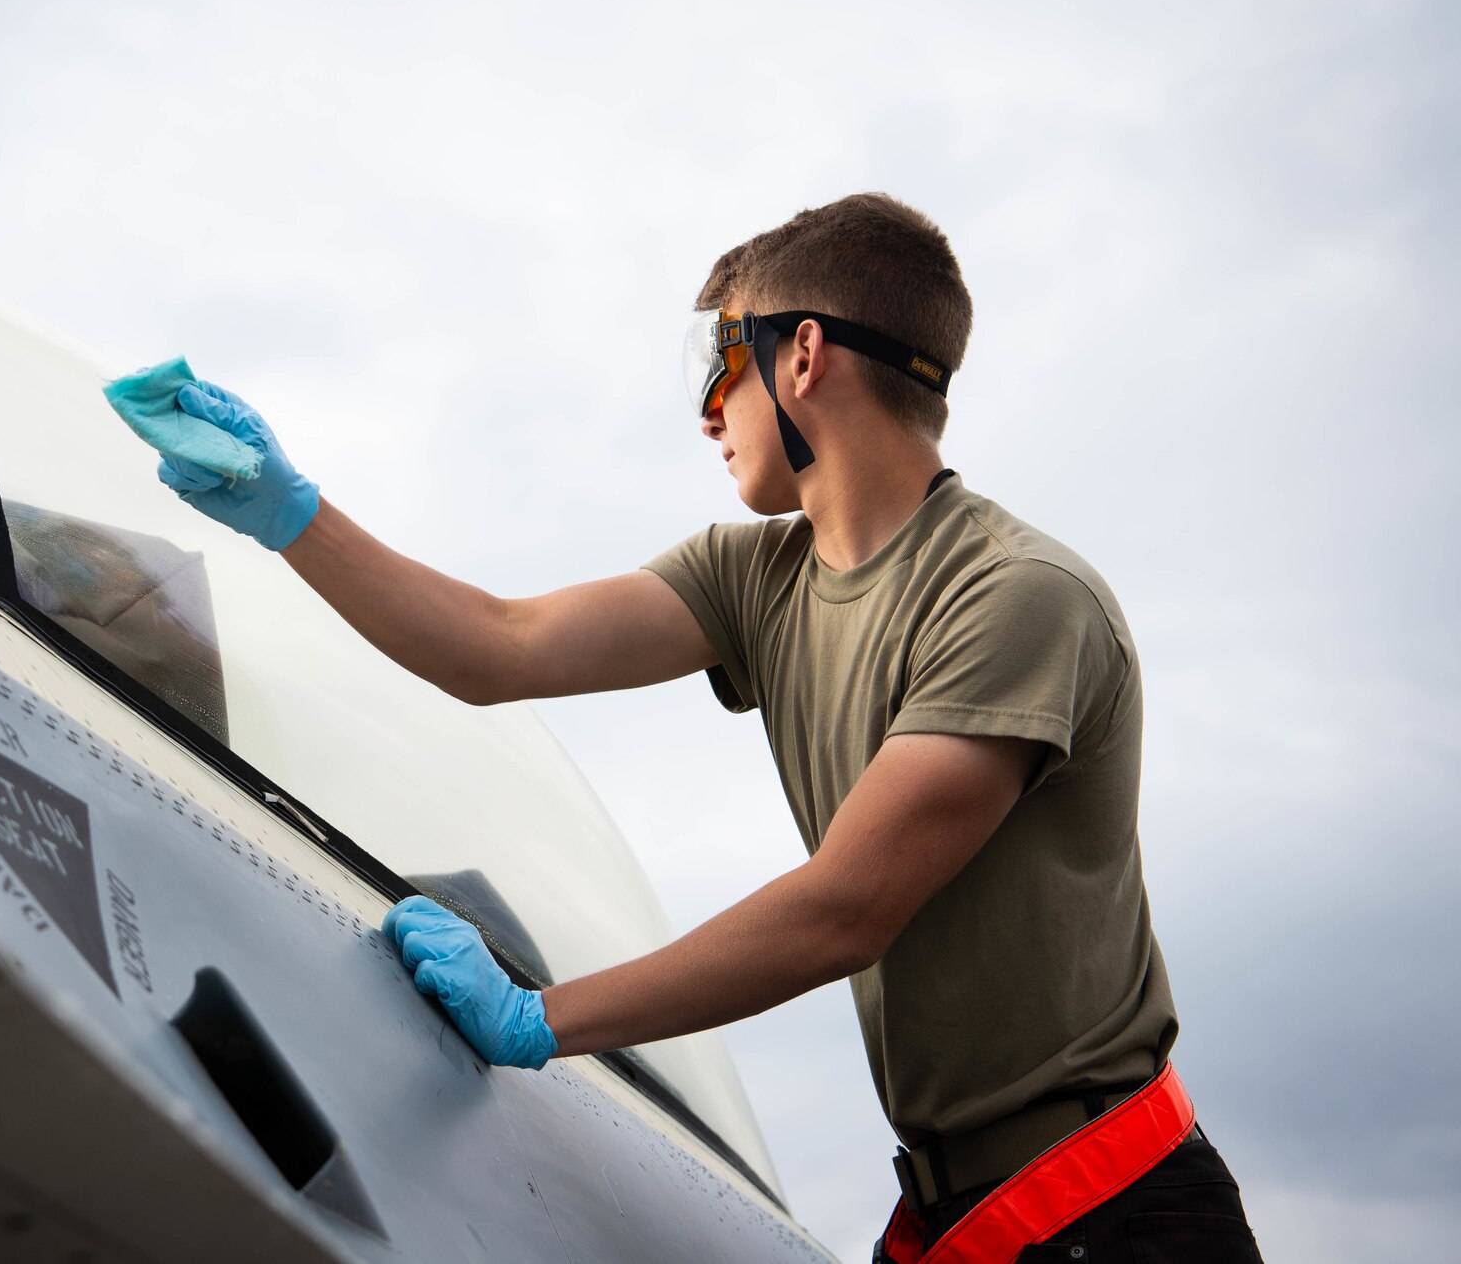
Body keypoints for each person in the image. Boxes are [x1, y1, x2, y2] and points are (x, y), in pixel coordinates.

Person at [145, 193, 1262, 1261]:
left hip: (1114, 1214)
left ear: (802, 355)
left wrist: (538, 1018)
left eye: (716, 365)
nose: (703, 413)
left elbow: (844, 910)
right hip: (957, 1205)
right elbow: (497, 647)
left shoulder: (1015, 597)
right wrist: (289, 514)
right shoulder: (754, 576)